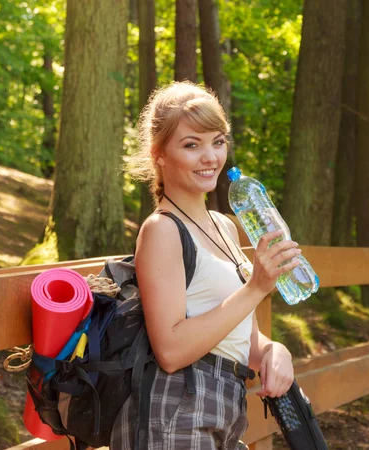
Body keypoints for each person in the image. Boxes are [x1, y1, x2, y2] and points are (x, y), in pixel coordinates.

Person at [110, 81, 300, 450]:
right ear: (160, 154)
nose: (211, 157)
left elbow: (238, 336)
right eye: (191, 144)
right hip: (176, 414)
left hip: (224, 410)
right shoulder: (162, 230)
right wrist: (256, 287)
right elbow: (171, 350)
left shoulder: (225, 225)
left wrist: (274, 351)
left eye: (217, 141)